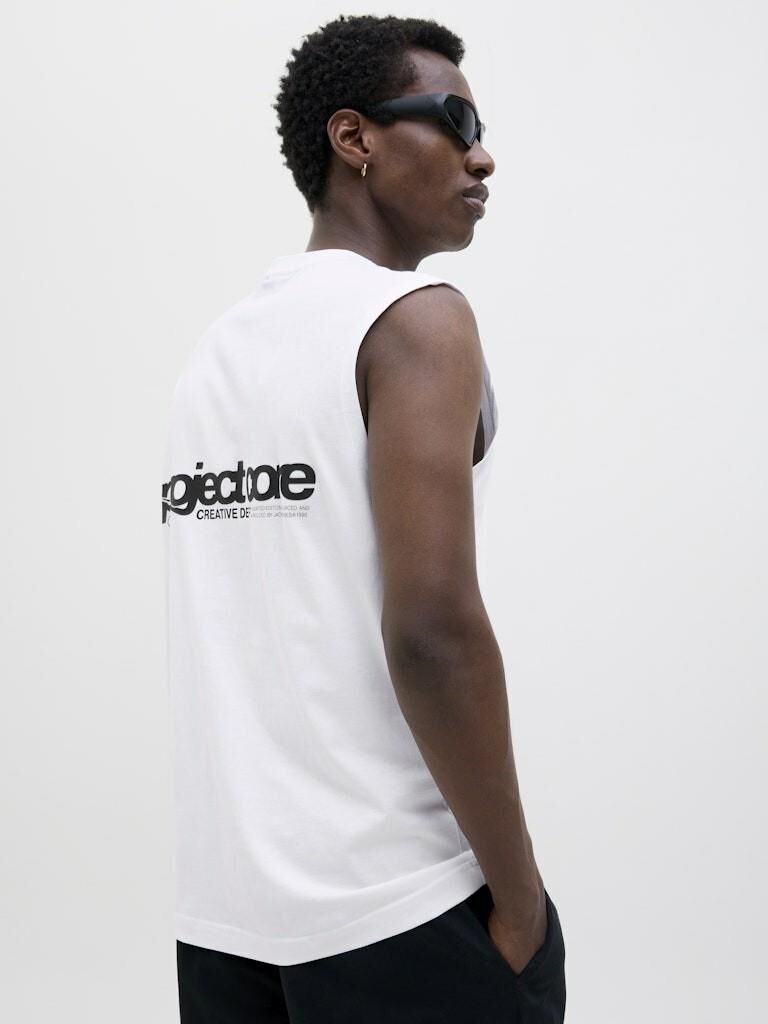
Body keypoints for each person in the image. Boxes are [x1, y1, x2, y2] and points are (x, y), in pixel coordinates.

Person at [162, 13, 566, 1022]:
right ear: (354, 138)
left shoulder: (213, 357)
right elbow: (432, 628)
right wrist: (520, 898)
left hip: (223, 931)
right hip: (402, 911)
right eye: (455, 120)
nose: (483, 155)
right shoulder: (418, 321)